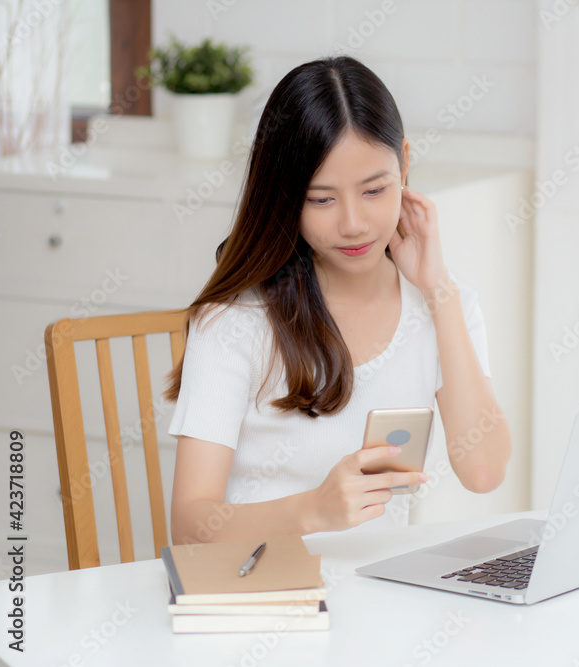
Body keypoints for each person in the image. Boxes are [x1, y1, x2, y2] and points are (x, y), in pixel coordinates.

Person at [164, 55, 512, 545]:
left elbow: (484, 472)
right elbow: (188, 526)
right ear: (286, 196)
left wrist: (440, 293)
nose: (353, 223)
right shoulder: (235, 322)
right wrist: (313, 511)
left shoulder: (443, 306)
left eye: (374, 190)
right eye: (321, 199)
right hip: (262, 594)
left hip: (380, 596)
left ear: (404, 164)